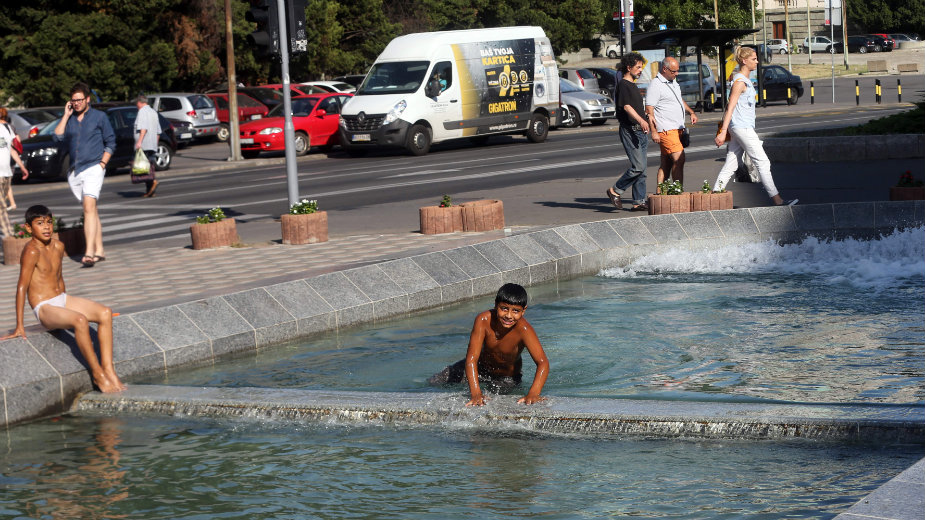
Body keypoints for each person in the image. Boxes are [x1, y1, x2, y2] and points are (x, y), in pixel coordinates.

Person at [2, 205, 125, 393]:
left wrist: (67, 308)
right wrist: (20, 325)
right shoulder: (31, 251)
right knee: (80, 320)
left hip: (61, 299)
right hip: (44, 307)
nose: (46, 227)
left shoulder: (59, 246)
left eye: (49, 223)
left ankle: (109, 369)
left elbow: (59, 278)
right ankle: (98, 373)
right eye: (40, 223)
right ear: (29, 228)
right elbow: (21, 287)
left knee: (105, 313)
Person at [428, 283, 550, 406]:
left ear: (523, 311)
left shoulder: (524, 330)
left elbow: (543, 363)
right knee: (436, 381)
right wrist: (475, 393)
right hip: (481, 368)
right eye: (504, 309)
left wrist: (534, 393)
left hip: (506, 378)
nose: (509, 316)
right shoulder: (483, 320)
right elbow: (471, 359)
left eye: (515, 311)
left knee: (496, 402)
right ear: (496, 305)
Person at [713, 46, 797, 206]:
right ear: (744, 61)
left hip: (740, 126)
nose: (757, 61)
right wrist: (723, 132)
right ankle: (778, 200)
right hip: (741, 127)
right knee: (763, 162)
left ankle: (715, 194)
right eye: (754, 59)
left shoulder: (745, 81)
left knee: (732, 162)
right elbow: (729, 107)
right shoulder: (739, 82)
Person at [54, 82, 115, 267]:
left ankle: (89, 252)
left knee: (88, 207)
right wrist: (65, 115)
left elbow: (111, 141)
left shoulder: (99, 117)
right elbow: (57, 137)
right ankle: (100, 249)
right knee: (91, 209)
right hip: (75, 171)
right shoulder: (70, 119)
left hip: (93, 167)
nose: (77, 103)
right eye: (73, 100)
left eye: (80, 100)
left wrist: (102, 164)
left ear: (88, 99)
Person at [645, 57, 698, 190]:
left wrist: (691, 112)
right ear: (664, 69)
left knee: (666, 163)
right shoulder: (656, 85)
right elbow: (649, 110)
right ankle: (678, 191)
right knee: (679, 159)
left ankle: (660, 192)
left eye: (677, 71)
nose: (677, 74)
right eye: (674, 71)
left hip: (677, 128)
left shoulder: (673, 82)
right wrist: (654, 131)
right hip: (666, 129)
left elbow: (679, 100)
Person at [606, 52, 650, 212]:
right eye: (638, 67)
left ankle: (638, 201)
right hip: (630, 130)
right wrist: (641, 120)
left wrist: (648, 118)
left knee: (642, 171)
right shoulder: (624, 85)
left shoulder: (633, 85)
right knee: (638, 167)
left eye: (641, 67)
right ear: (629, 67)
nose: (640, 70)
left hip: (640, 132)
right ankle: (615, 191)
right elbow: (627, 107)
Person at [0, 108, 29, 236]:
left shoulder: (7, 128)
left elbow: (12, 150)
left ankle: (9, 236)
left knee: (2, 207)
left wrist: (22, 166)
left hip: (7, 173)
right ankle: (8, 236)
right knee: (0, 208)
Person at [133, 94, 160, 197]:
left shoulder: (142, 112)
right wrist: (156, 143)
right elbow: (158, 131)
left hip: (144, 145)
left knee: (143, 168)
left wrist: (139, 142)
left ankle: (152, 183)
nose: (136, 106)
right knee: (150, 167)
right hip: (152, 144)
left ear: (139, 102)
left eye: (136, 103)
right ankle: (150, 191)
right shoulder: (153, 112)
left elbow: (143, 128)